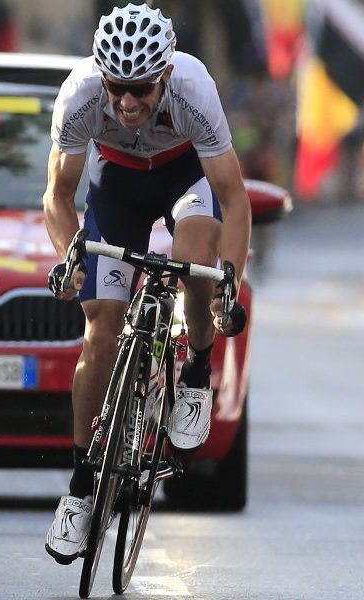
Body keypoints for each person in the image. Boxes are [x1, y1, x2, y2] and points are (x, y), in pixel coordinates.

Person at [42, 4, 250, 564]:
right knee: (100, 331)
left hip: (186, 178)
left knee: (195, 258)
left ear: (164, 76)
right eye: (118, 89)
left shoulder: (194, 87)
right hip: (116, 188)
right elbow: (59, 197)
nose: (128, 104)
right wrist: (70, 258)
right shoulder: (81, 93)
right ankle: (83, 487)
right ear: (102, 77)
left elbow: (232, 196)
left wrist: (230, 279)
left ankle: (197, 372)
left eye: (140, 90)